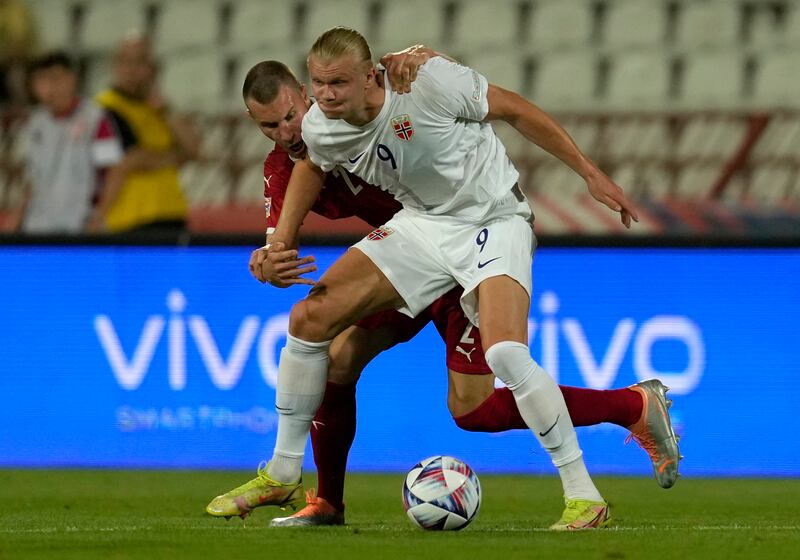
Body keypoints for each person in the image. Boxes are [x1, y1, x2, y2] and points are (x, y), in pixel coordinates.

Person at [205, 48, 680, 530]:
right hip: (414, 247)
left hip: (473, 241)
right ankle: (317, 495)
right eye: (270, 127)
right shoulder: (302, 149)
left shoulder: (396, 85)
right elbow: (287, 218)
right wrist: (272, 256)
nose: (286, 132)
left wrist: (423, 57)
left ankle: (630, 407)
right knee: (329, 346)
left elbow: (475, 97)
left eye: (291, 115)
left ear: (308, 94)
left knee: (474, 406)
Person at [92, 33, 200, 234]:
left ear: (153, 68)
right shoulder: (105, 107)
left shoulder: (159, 109)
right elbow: (131, 159)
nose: (132, 70)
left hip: (172, 214)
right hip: (130, 219)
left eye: (140, 61)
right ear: (114, 66)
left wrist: (165, 110)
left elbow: (193, 149)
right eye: (125, 61)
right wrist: (175, 156)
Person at [10, 50, 125, 233]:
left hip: (80, 226)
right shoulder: (35, 124)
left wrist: (98, 216)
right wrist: (17, 217)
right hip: (38, 228)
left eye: (55, 79)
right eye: (41, 80)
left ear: (71, 80)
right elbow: (32, 179)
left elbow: (114, 171)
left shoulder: (95, 119)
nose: (48, 88)